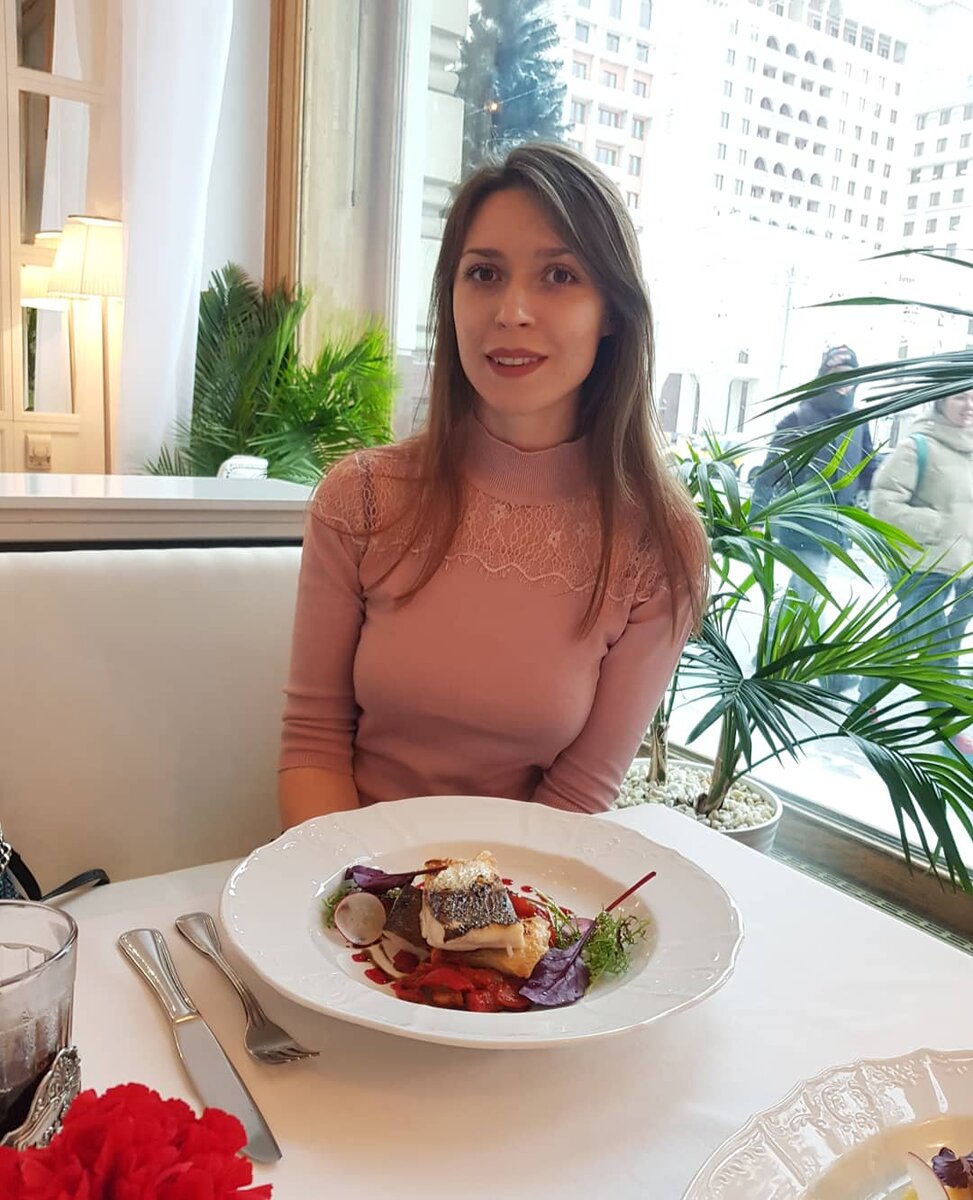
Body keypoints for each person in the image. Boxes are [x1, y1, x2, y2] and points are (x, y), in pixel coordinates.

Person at [277, 142, 709, 829]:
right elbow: (314, 740)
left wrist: (465, 900)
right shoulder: (360, 499)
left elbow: (580, 793)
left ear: (612, 312)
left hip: (524, 881)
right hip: (342, 872)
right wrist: (355, 887)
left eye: (559, 275)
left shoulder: (657, 545)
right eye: (483, 273)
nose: (511, 310)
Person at [860, 390, 973, 751]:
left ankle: (863, 697)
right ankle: (949, 723)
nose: (969, 405)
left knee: (907, 639)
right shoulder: (918, 445)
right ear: (940, 401)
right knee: (937, 646)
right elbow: (882, 503)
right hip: (921, 566)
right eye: (960, 398)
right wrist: (937, 526)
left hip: (965, 567)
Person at [752, 344, 877, 609]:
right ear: (824, 377)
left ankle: (772, 638)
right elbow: (769, 472)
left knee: (797, 597)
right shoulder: (799, 418)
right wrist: (756, 519)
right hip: (802, 525)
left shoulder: (859, 422)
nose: (843, 383)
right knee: (813, 596)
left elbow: (869, 470)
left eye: (850, 375)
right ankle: (815, 640)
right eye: (836, 374)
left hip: (837, 527)